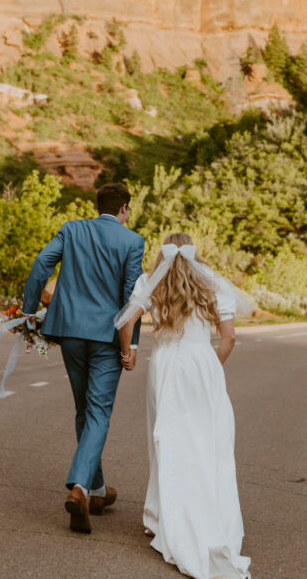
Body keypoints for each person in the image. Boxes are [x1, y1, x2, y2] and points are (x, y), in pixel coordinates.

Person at [116, 232, 252, 579]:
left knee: (166, 438)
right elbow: (230, 336)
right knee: (209, 440)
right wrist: (210, 365)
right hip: (202, 364)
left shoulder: (150, 281)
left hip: (165, 366)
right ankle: (210, 515)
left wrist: (128, 352)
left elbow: (126, 321)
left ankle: (161, 516)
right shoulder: (212, 283)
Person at [21, 181, 144, 534]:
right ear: (124, 209)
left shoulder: (71, 229)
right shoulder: (132, 241)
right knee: (99, 411)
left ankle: (99, 491)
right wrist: (130, 345)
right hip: (107, 337)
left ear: (99, 205)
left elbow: (41, 261)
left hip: (70, 333)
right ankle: (80, 486)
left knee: (84, 410)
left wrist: (29, 309)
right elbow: (131, 296)